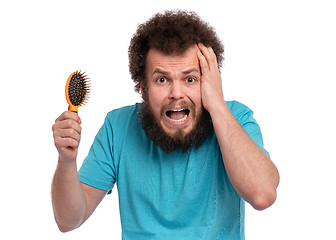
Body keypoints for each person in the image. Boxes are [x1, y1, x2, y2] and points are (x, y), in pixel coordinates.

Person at [51, 10, 279, 239]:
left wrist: (217, 105)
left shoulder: (234, 118)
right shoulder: (117, 127)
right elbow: (68, 220)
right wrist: (66, 160)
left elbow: (263, 195)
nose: (176, 93)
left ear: (208, 81)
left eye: (190, 79)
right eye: (162, 80)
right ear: (143, 87)